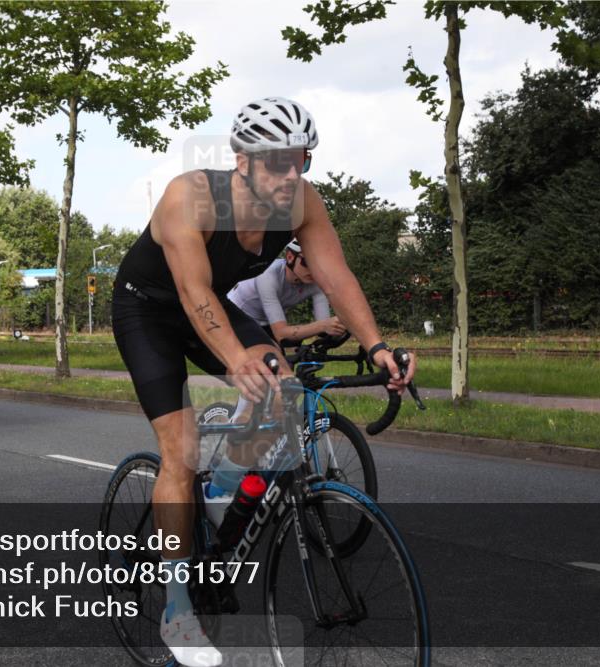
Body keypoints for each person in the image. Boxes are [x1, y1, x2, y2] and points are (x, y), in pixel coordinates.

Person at [112, 96, 416, 667]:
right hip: (148, 312)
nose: (291, 173)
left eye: (300, 159)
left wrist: (376, 346)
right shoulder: (191, 196)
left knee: (288, 396)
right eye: (277, 162)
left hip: (208, 309)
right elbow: (194, 294)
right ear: (242, 160)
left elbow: (337, 275)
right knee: (179, 454)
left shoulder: (301, 202)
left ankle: (223, 492)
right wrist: (236, 357)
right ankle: (178, 610)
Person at [227, 239, 345, 344]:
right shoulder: (268, 276)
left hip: (267, 322)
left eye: (319, 264)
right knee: (272, 361)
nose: (314, 270)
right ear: (290, 257)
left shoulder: (316, 282)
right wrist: (324, 325)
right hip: (236, 317)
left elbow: (324, 329)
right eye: (307, 262)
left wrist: (340, 327)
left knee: (285, 362)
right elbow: (281, 334)